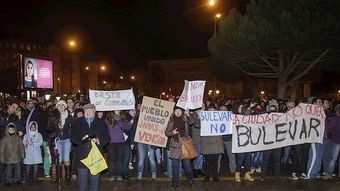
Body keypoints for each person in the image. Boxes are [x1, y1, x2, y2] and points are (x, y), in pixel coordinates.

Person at [70, 103, 110, 191]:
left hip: (96, 157)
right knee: (83, 185)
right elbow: (72, 137)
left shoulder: (101, 123)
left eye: (90, 111)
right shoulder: (77, 122)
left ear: (94, 111)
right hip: (82, 157)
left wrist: (98, 140)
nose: (88, 113)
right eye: (86, 111)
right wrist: (81, 139)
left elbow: (107, 137)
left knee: (95, 184)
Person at [165, 106, 194, 189]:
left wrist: (188, 114)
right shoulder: (171, 121)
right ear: (174, 111)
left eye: (180, 111)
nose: (178, 112)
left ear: (182, 112)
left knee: (187, 165)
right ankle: (175, 183)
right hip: (175, 145)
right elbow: (166, 132)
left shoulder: (185, 119)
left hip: (185, 144)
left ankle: (190, 179)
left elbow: (192, 121)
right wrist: (172, 132)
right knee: (175, 166)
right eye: (176, 110)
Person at [47, 100, 73, 183]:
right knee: (59, 158)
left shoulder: (69, 116)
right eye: (59, 105)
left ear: (65, 106)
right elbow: (48, 128)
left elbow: (73, 127)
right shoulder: (53, 116)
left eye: (62, 105)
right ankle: (58, 177)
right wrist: (56, 124)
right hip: (57, 140)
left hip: (67, 139)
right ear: (57, 107)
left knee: (66, 157)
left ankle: (68, 178)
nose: (61, 107)